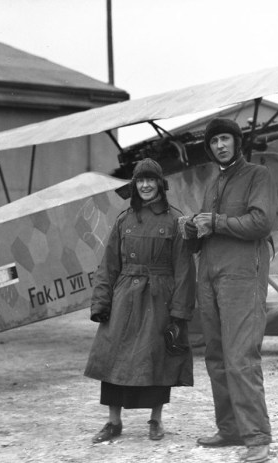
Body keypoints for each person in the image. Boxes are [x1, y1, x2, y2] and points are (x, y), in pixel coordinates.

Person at [180, 118, 277, 463]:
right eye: (214, 141)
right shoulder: (213, 183)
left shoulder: (257, 176)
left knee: (240, 357)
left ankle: (257, 438)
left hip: (241, 279)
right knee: (217, 357)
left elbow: (262, 222)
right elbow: (205, 235)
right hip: (209, 277)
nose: (220, 145)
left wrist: (215, 222)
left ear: (237, 142)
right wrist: (192, 228)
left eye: (225, 139)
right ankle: (230, 429)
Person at [84, 158, 196, 444]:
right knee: (113, 356)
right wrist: (101, 302)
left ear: (160, 183)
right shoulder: (124, 220)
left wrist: (180, 310)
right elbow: (108, 264)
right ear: (135, 185)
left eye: (151, 179)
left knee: (157, 358)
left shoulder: (174, 220)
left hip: (159, 297)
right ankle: (113, 422)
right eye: (140, 180)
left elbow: (184, 269)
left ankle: (156, 420)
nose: (146, 185)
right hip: (124, 296)